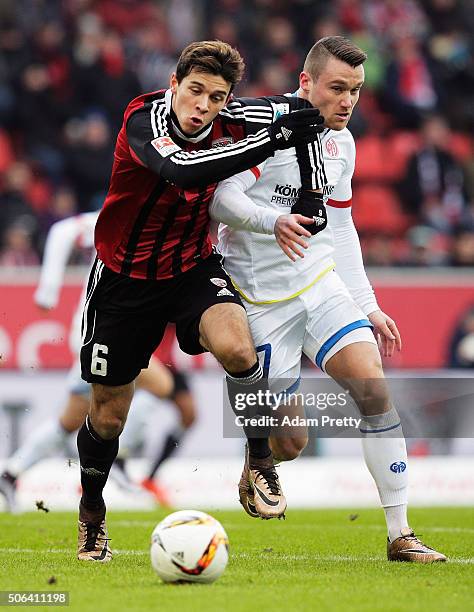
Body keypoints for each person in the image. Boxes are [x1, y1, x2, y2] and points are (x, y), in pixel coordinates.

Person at [76, 39, 325, 562]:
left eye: (216, 97)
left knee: (239, 351)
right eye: (195, 91)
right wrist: (276, 137)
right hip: (125, 281)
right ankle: (93, 514)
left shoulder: (236, 117)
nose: (203, 106)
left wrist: (312, 187)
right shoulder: (143, 120)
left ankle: (259, 461)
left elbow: (303, 112)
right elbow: (186, 170)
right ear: (173, 84)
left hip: (192, 268)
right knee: (108, 417)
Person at [210, 36, 446, 563]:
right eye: (336, 89)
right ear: (305, 83)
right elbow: (220, 199)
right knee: (288, 442)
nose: (347, 102)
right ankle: (259, 458)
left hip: (320, 286)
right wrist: (273, 220)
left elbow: (340, 228)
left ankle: (400, 533)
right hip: (262, 302)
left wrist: (368, 305)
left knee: (374, 392)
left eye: (356, 92)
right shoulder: (265, 133)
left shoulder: (343, 144)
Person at [0, 212, 197, 511]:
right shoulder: (122, 214)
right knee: (161, 384)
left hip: (102, 330)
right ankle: (117, 458)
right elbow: (63, 229)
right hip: (97, 328)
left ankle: (10, 473)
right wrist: (49, 288)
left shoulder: (153, 221)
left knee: (70, 419)